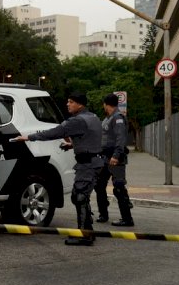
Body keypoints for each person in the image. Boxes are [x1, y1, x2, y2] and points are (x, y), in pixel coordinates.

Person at [12, 92, 103, 246]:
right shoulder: (92, 117)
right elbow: (90, 137)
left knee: (80, 197)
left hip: (87, 164)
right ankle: (88, 231)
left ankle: (84, 235)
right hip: (92, 161)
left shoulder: (77, 120)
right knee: (79, 196)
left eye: (70, 101)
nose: (67, 104)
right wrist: (72, 145)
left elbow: (54, 132)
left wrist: (28, 137)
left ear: (79, 104)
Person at [95, 93, 134, 227]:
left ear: (106, 104)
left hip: (115, 158)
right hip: (105, 158)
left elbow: (120, 139)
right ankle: (103, 214)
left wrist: (116, 156)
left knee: (118, 187)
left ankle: (127, 219)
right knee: (99, 185)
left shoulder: (118, 118)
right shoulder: (107, 119)